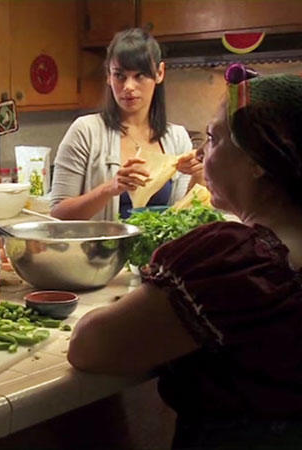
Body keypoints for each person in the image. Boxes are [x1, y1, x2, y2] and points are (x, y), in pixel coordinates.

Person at [67, 66, 302, 448]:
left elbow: (90, 347)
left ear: (258, 160)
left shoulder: (239, 259)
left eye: (213, 139)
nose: (201, 153)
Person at [51, 28, 204, 220]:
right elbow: (58, 213)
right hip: (101, 249)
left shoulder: (177, 138)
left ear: (159, 73)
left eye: (139, 76)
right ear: (108, 75)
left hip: (160, 250)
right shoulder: (86, 131)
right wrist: (111, 188)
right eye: (120, 76)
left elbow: (184, 215)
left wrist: (198, 175)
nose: (128, 87)